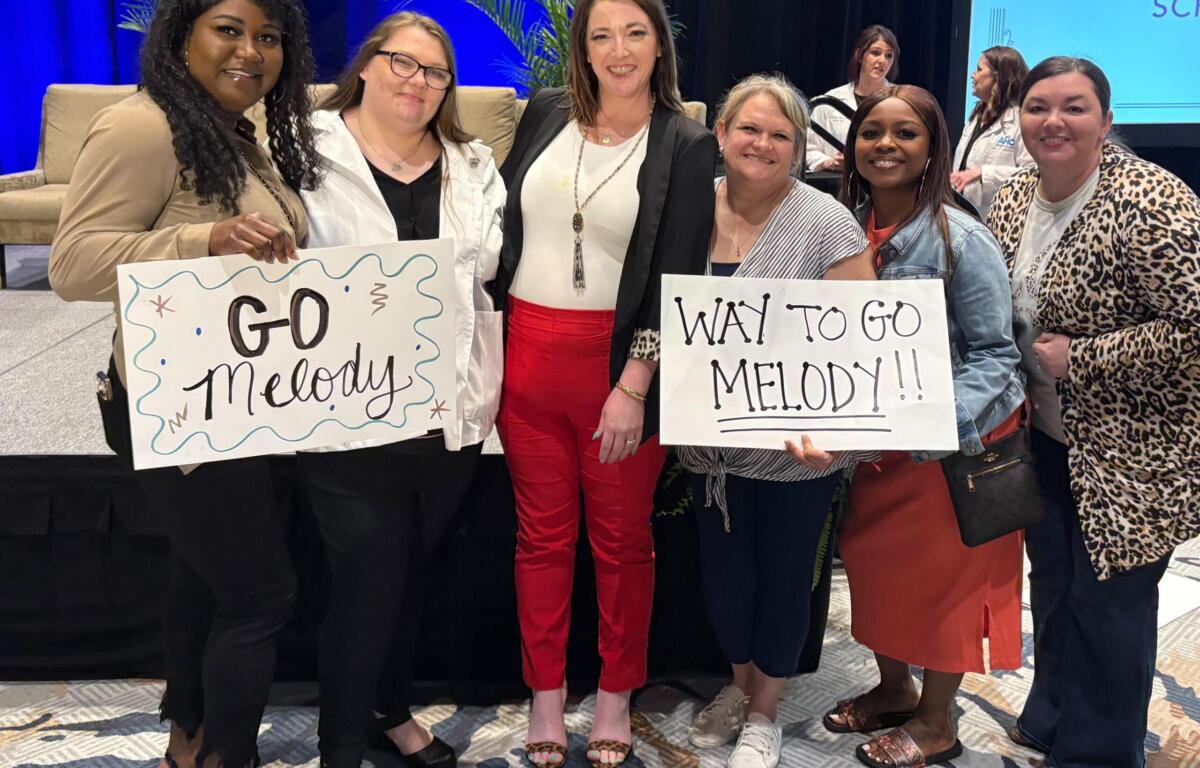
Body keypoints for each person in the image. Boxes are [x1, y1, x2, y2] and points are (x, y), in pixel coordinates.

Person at [48, 1, 318, 767]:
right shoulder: (143, 126)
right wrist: (204, 240)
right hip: (175, 407)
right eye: (228, 29)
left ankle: (187, 743)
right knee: (259, 595)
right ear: (181, 36)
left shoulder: (233, 131)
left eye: (268, 37)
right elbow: (74, 266)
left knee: (204, 577)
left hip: (234, 399)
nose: (251, 51)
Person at [490, 0, 717, 765]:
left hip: (616, 368)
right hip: (526, 355)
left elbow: (678, 270)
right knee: (540, 540)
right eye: (601, 35)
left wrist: (635, 383)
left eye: (635, 33)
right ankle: (546, 694)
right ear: (581, 48)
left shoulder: (685, 140)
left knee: (620, 543)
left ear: (659, 45)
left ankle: (617, 692)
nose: (618, 51)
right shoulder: (547, 113)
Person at [295, 11, 505, 768]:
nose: (418, 82)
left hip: (447, 407)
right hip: (345, 407)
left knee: (411, 568)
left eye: (435, 72)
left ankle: (389, 710)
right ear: (367, 64)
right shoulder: (305, 151)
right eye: (403, 64)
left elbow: (484, 269)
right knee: (365, 578)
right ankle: (340, 744)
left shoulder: (472, 161)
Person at [986, 57, 1200, 768]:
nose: (1054, 121)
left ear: (1107, 121)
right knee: (1052, 588)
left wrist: (1086, 358)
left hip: (1137, 448)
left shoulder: (1154, 201)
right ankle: (1052, 715)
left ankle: (1099, 752)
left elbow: (1195, 325)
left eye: (1075, 108)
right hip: (1044, 439)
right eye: (1039, 106)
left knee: (1110, 607)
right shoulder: (1015, 198)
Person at [816, 85, 1026, 768]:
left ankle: (936, 722)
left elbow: (998, 356)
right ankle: (893, 688)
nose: (885, 145)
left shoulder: (961, 236)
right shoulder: (845, 230)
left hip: (946, 450)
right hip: (876, 449)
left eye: (905, 133)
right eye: (871, 132)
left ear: (933, 147)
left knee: (945, 588)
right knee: (878, 573)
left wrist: (930, 422)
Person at [674, 74, 874, 768]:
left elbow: (858, 339)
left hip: (797, 454)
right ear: (722, 134)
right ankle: (737, 685)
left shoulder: (826, 223)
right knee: (726, 580)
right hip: (710, 452)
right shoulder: (688, 209)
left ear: (797, 147)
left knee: (785, 579)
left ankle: (765, 712)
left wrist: (837, 432)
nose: (762, 143)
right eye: (748, 128)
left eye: (780, 134)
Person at [950, 46, 1033, 218]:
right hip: (962, 213)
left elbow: (1032, 173)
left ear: (999, 78)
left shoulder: (1020, 121)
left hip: (998, 218)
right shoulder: (976, 116)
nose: (973, 75)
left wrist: (983, 173)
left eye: (979, 70)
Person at [805, 24, 899, 173]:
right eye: (875, 53)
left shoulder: (902, 102)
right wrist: (829, 162)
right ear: (859, 55)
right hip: (837, 188)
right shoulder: (829, 101)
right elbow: (808, 149)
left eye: (889, 55)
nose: (882, 60)